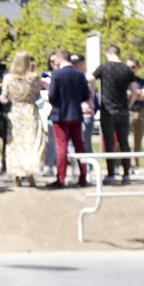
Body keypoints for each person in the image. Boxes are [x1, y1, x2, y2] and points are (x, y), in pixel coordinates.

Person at [90, 45, 139, 185]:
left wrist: (92, 94)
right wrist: (129, 104)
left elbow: (90, 78)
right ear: (119, 53)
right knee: (124, 142)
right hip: (123, 110)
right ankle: (126, 174)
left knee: (110, 143)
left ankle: (111, 174)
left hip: (108, 110)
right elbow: (134, 90)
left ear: (107, 53)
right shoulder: (127, 69)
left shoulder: (104, 67)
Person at [0, 51, 45, 187]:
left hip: (16, 112)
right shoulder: (33, 77)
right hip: (30, 111)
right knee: (31, 143)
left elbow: (3, 98)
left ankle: (17, 175)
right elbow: (37, 91)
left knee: (15, 144)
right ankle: (30, 173)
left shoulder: (8, 78)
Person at [48, 50, 90, 188]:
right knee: (80, 146)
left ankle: (61, 179)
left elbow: (52, 96)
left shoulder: (57, 75)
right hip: (76, 115)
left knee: (61, 147)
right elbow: (85, 96)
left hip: (60, 115)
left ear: (60, 59)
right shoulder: (79, 75)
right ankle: (83, 177)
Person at [126, 57, 144, 173]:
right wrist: (136, 93)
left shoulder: (141, 81)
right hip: (128, 112)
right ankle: (126, 164)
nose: (131, 69)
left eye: (133, 67)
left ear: (137, 68)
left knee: (138, 140)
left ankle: (136, 164)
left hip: (140, 111)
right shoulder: (123, 81)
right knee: (124, 139)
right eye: (129, 67)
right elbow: (125, 95)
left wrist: (133, 94)